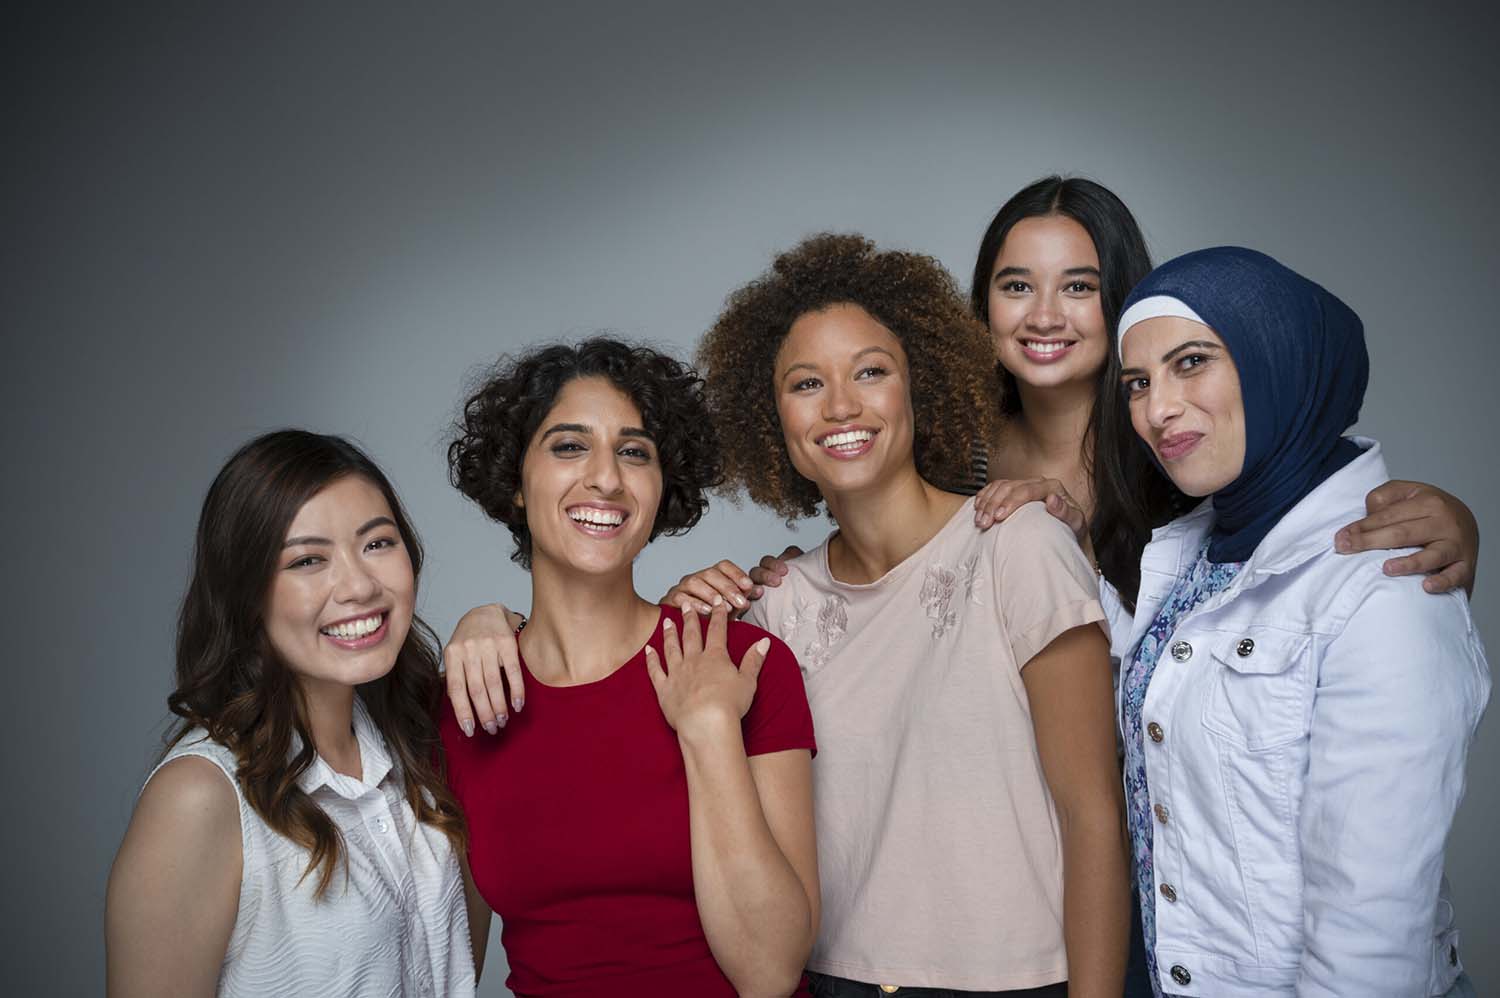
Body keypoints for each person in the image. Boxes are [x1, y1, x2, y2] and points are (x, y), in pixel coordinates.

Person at [1112, 246, 1488, 996]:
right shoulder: (1189, 555)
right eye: (1138, 383)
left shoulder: (1387, 582)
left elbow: (1369, 936)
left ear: (1275, 357)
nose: (1158, 408)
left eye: (1192, 363)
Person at [439, 337, 819, 997]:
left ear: (662, 487)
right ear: (515, 483)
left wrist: (707, 729)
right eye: (568, 446)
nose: (606, 478)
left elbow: (770, 972)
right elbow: (450, 966)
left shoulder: (745, 662)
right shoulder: (468, 698)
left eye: (634, 451)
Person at [105, 430, 487, 997]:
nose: (359, 585)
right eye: (308, 560)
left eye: (378, 543)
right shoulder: (200, 797)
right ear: (247, 593)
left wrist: (496, 619)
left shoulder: (426, 759)